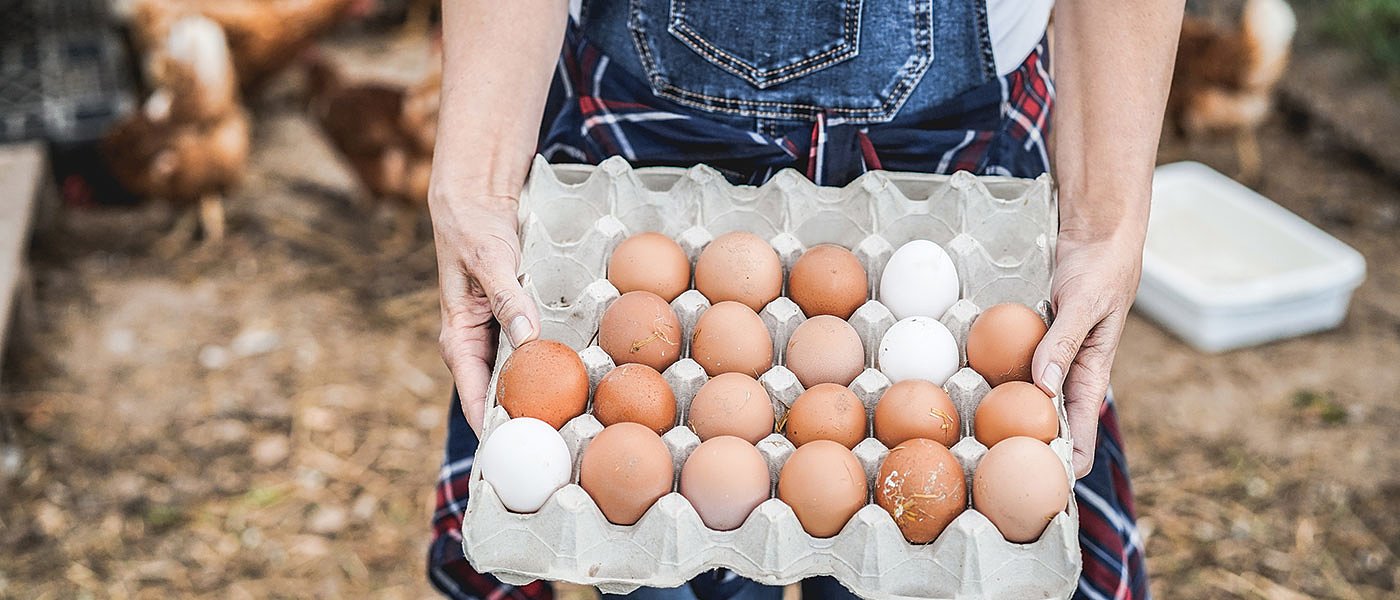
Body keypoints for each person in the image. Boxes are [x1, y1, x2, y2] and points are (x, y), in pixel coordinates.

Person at [427, 1, 1182, 598]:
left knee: (917, 558)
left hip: (951, 154)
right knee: (662, 551)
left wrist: (1103, 219)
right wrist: (478, 182)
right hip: (646, 145)